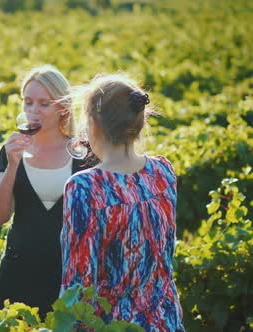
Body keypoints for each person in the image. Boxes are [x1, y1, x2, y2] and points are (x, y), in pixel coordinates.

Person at [60, 74, 185, 331]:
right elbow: (165, 260)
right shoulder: (163, 172)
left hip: (113, 325)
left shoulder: (85, 187)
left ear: (94, 125)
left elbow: (78, 284)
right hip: (166, 321)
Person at [0, 65, 93, 318]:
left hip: (71, 274)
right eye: (28, 102)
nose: (33, 111)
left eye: (44, 104)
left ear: (63, 108)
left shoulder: (86, 155)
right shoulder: (11, 150)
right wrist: (12, 165)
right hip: (19, 270)